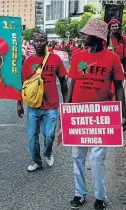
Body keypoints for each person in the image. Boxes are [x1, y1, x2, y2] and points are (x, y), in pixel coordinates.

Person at [66, 19, 126, 210]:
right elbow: (72, 84)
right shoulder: (77, 56)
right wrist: (65, 110)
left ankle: (100, 197)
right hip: (78, 114)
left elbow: (119, 87)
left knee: (97, 158)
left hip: (102, 114)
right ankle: (79, 193)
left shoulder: (113, 58)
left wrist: (123, 114)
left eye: (87, 33)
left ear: (98, 37)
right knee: (77, 156)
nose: (83, 36)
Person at [17, 31, 68, 172]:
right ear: (33, 43)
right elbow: (22, 85)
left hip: (51, 105)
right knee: (32, 135)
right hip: (33, 106)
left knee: (49, 135)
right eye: (36, 41)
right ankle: (36, 161)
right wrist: (19, 103)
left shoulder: (55, 59)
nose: (39, 43)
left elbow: (63, 82)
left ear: (47, 42)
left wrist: (66, 105)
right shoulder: (27, 62)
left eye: (42, 40)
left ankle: (48, 153)